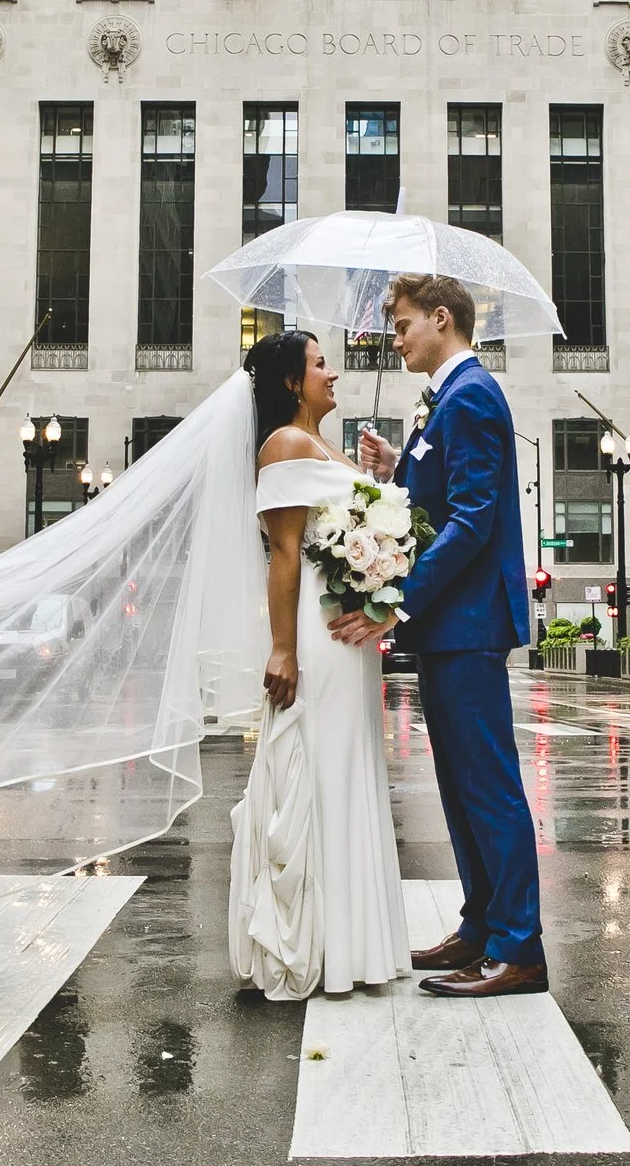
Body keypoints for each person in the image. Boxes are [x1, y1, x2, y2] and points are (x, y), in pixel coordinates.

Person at [349, 274, 547, 998]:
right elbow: (439, 498)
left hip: (467, 622)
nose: (394, 337)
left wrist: (394, 600)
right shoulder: (447, 402)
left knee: (488, 784)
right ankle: (482, 923)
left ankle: (519, 946)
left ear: (442, 318)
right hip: (450, 626)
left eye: (402, 324)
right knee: (461, 787)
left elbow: (469, 521)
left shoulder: (469, 398)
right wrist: (395, 466)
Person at [226, 330, 411, 999]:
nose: (332, 373)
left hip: (348, 635)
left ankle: (351, 944)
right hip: (312, 629)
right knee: (320, 761)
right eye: (319, 364)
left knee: (350, 762)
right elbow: (284, 552)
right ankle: (317, 944)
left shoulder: (325, 445)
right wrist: (282, 647)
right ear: (289, 382)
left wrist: (380, 487)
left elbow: (355, 535)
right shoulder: (283, 445)